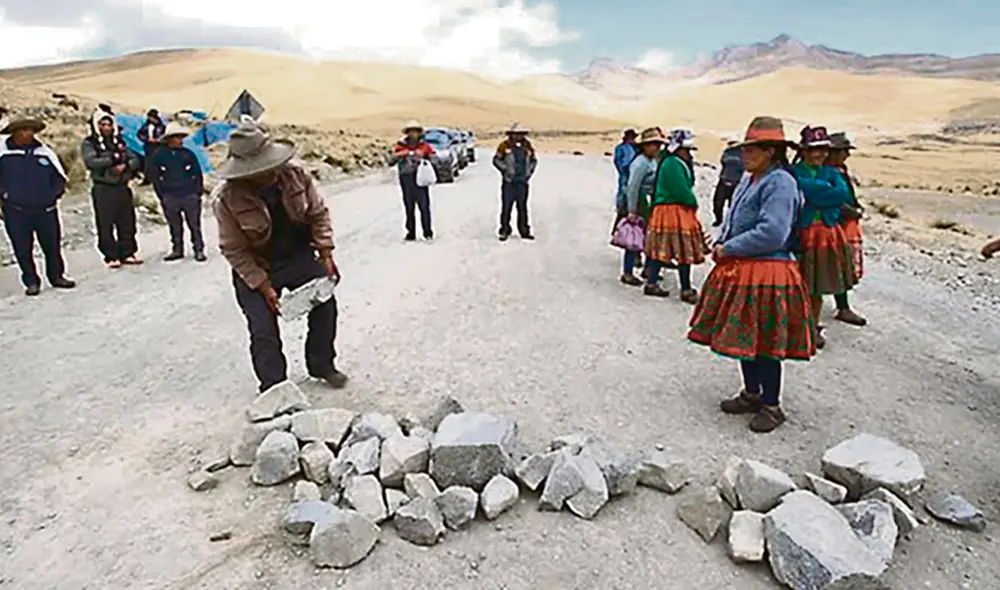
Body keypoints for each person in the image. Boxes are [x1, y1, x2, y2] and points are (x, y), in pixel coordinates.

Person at [688, 116, 815, 433]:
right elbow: (735, 219)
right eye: (745, 149)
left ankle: (772, 406)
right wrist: (722, 242)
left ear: (771, 151)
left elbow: (773, 233)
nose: (744, 155)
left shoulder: (780, 183)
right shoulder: (750, 179)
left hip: (769, 271)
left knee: (766, 341)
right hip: (746, 269)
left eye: (752, 150)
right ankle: (751, 393)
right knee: (746, 335)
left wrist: (729, 248)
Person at [213, 117, 348, 392]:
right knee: (263, 329)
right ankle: (274, 387)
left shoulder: (296, 176)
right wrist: (262, 284)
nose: (271, 172)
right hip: (257, 265)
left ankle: (322, 364)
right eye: (261, 169)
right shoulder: (227, 198)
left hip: (297, 255)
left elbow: (318, 214)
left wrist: (325, 253)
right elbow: (234, 249)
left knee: (325, 303)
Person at [791, 126, 858, 349]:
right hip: (802, 234)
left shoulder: (831, 173)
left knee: (816, 284)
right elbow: (819, 191)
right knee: (799, 282)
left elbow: (842, 194)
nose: (819, 154)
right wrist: (826, 192)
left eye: (823, 150)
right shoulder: (795, 173)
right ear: (804, 151)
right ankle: (797, 324)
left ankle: (811, 325)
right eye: (815, 149)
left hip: (826, 234)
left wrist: (818, 193)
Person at [0, 116, 76, 296]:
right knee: (22, 249)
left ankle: (56, 276)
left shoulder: (45, 153)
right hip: (16, 211)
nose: (28, 134)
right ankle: (31, 281)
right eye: (23, 130)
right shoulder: (3, 155)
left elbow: (59, 177)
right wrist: (5, 197)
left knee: (52, 246)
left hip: (46, 210)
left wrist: (53, 195)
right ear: (14, 133)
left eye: (31, 130)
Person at [643, 128, 706, 303]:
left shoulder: (669, 162)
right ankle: (685, 288)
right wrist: (692, 202)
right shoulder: (673, 164)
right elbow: (681, 190)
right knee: (684, 251)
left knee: (661, 249)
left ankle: (652, 282)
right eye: (686, 150)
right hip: (674, 211)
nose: (688, 154)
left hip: (665, 211)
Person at [81, 105, 143, 268]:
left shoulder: (119, 142)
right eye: (103, 124)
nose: (106, 128)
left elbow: (134, 159)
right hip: (103, 188)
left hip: (122, 186)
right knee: (105, 223)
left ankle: (127, 252)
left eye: (109, 124)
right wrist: (113, 160)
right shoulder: (90, 143)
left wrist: (125, 166)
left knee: (127, 221)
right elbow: (91, 162)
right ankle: (111, 256)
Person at [826, 132, 866, 326]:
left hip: (845, 225)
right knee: (834, 266)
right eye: (844, 151)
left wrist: (856, 207)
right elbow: (832, 200)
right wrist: (852, 211)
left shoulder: (840, 170)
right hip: (833, 226)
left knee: (842, 266)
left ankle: (843, 306)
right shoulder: (825, 173)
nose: (847, 155)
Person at [151, 121, 206, 262]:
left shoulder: (188, 154)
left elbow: (197, 174)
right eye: (177, 137)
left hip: (189, 194)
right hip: (170, 195)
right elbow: (155, 176)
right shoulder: (159, 155)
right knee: (174, 225)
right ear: (169, 139)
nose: (180, 140)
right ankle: (177, 249)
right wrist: (161, 195)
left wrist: (197, 193)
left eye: (181, 137)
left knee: (194, 224)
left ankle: (198, 249)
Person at [618, 127, 665, 285]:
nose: (657, 148)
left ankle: (648, 268)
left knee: (650, 237)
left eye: (658, 145)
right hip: (640, 202)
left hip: (649, 201)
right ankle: (627, 272)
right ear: (645, 146)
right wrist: (632, 210)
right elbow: (633, 187)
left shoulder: (651, 161)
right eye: (653, 144)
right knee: (635, 237)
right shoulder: (640, 163)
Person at [389, 121, 435, 241]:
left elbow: (433, 158)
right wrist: (402, 154)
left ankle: (427, 232)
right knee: (409, 206)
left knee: (424, 206)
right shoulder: (400, 145)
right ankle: (411, 232)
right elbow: (391, 160)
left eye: (415, 131)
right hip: (406, 178)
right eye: (411, 131)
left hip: (421, 179)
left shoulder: (424, 145)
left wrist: (423, 155)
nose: (413, 134)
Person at [493, 122, 537, 241]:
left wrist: (529, 172)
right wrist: (505, 170)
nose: (518, 136)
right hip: (509, 182)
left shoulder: (527, 146)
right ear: (511, 134)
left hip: (522, 182)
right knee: (506, 207)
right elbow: (496, 160)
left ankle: (524, 231)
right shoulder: (504, 146)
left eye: (520, 134)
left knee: (522, 207)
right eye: (516, 134)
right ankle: (504, 230)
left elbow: (533, 160)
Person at [713, 136, 743, 226]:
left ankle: (732, 221)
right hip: (724, 180)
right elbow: (723, 161)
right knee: (717, 203)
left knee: (733, 205)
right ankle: (719, 219)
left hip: (736, 182)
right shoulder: (726, 152)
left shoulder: (742, 153)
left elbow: (743, 166)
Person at [137, 109, 165, 185]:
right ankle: (147, 179)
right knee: (148, 164)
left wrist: (159, 140)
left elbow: (165, 136)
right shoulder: (145, 126)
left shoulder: (161, 126)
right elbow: (140, 134)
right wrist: (147, 139)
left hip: (158, 147)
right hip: (149, 147)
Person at [613, 128, 638, 212]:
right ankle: (621, 207)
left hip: (633, 170)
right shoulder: (621, 147)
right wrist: (622, 169)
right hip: (625, 170)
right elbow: (617, 161)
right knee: (623, 189)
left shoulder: (635, 147)